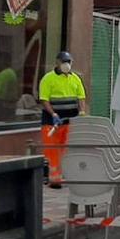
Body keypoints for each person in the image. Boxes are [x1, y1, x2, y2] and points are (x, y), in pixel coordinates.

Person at [38, 50, 87, 187]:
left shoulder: (75, 78)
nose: (66, 64)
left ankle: (62, 176)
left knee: (65, 149)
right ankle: (54, 179)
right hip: (51, 121)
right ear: (58, 63)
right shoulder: (48, 79)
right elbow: (44, 99)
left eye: (69, 62)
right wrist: (53, 114)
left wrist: (82, 111)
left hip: (69, 120)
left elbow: (81, 97)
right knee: (52, 150)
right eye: (64, 62)